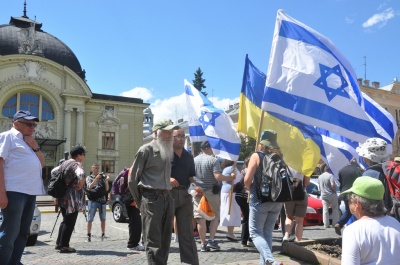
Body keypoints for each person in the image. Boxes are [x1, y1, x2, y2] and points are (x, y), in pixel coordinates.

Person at [129, 119, 177, 265]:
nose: (170, 135)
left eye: (171, 132)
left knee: (165, 239)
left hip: (167, 197)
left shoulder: (168, 150)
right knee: (153, 240)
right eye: (166, 132)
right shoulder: (146, 150)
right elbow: (132, 180)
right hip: (150, 197)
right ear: (156, 132)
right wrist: (139, 202)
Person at [0, 110, 45, 264]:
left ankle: (14, 262)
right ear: (16, 123)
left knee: (23, 233)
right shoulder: (7, 136)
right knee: (9, 233)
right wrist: (1, 193)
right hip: (14, 192)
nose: (33, 127)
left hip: (29, 193)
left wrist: (35, 147)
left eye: (34, 124)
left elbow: (42, 164)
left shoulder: (29, 142)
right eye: (29, 124)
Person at [244, 130, 283, 265]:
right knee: (267, 233)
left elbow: (247, 179)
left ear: (261, 142)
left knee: (255, 233)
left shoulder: (257, 156)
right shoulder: (279, 157)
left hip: (259, 199)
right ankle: (266, 263)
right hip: (277, 200)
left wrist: (250, 188)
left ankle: (271, 261)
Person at [341, 176, 400, 264]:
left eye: (349, 200)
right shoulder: (395, 223)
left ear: (357, 203)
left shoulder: (353, 231)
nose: (348, 203)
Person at [193, 141, 235, 252]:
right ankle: (211, 240)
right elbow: (218, 177)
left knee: (200, 218)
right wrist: (230, 178)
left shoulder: (194, 160)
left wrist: (195, 188)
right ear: (209, 148)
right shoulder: (213, 160)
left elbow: (190, 177)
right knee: (215, 217)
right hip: (211, 192)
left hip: (198, 192)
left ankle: (202, 244)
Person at [170, 127, 199, 264]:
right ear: (172, 137)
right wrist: (168, 178)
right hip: (168, 194)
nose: (181, 138)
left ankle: (190, 262)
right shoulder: (166, 154)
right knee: (164, 231)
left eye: (183, 136)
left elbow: (191, 177)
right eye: (178, 136)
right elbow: (157, 173)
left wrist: (196, 186)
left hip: (185, 195)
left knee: (187, 231)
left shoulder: (188, 156)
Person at [55, 146, 86, 253]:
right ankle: (64, 245)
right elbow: (81, 174)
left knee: (65, 220)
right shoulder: (76, 164)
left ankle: (59, 243)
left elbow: (54, 172)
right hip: (72, 197)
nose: (84, 156)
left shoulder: (64, 163)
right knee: (70, 222)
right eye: (83, 154)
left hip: (62, 195)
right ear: (78, 155)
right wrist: (81, 184)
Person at [356, 137, 393, 212]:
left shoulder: (369, 174)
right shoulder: (390, 169)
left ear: (367, 157)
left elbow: (364, 201)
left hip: (380, 216)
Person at [334, 158, 362, 235]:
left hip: (344, 193)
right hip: (354, 193)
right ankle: (357, 228)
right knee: (358, 210)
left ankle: (339, 224)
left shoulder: (341, 170)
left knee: (348, 211)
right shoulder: (357, 170)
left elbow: (340, 183)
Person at [282, 168, 309, 242]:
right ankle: (297, 241)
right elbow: (306, 183)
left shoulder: (287, 166)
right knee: (299, 221)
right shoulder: (305, 167)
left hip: (289, 194)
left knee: (289, 217)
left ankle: (286, 236)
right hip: (301, 194)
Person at [85, 164, 110, 242]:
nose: (97, 169)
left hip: (102, 201)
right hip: (93, 200)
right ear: (92, 169)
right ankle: (88, 234)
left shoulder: (102, 178)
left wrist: (106, 180)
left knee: (103, 219)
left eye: (98, 168)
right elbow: (89, 186)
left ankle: (103, 234)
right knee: (90, 219)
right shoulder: (89, 177)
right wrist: (96, 178)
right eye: (95, 168)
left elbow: (106, 189)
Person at [220, 159, 242, 242]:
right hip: (230, 191)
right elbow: (236, 179)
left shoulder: (228, 168)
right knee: (231, 212)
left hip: (228, 191)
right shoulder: (231, 168)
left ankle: (230, 232)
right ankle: (230, 232)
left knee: (231, 212)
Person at [235, 157, 254, 248]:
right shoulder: (251, 171)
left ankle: (244, 240)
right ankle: (249, 239)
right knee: (250, 218)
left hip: (239, 196)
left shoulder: (241, 171)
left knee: (247, 217)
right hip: (246, 196)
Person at [317, 163, 339, 228]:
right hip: (331, 193)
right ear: (329, 170)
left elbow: (319, 187)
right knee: (335, 208)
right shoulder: (330, 176)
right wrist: (335, 190)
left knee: (325, 209)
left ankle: (326, 224)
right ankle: (334, 223)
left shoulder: (319, 177)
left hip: (323, 194)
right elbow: (332, 184)